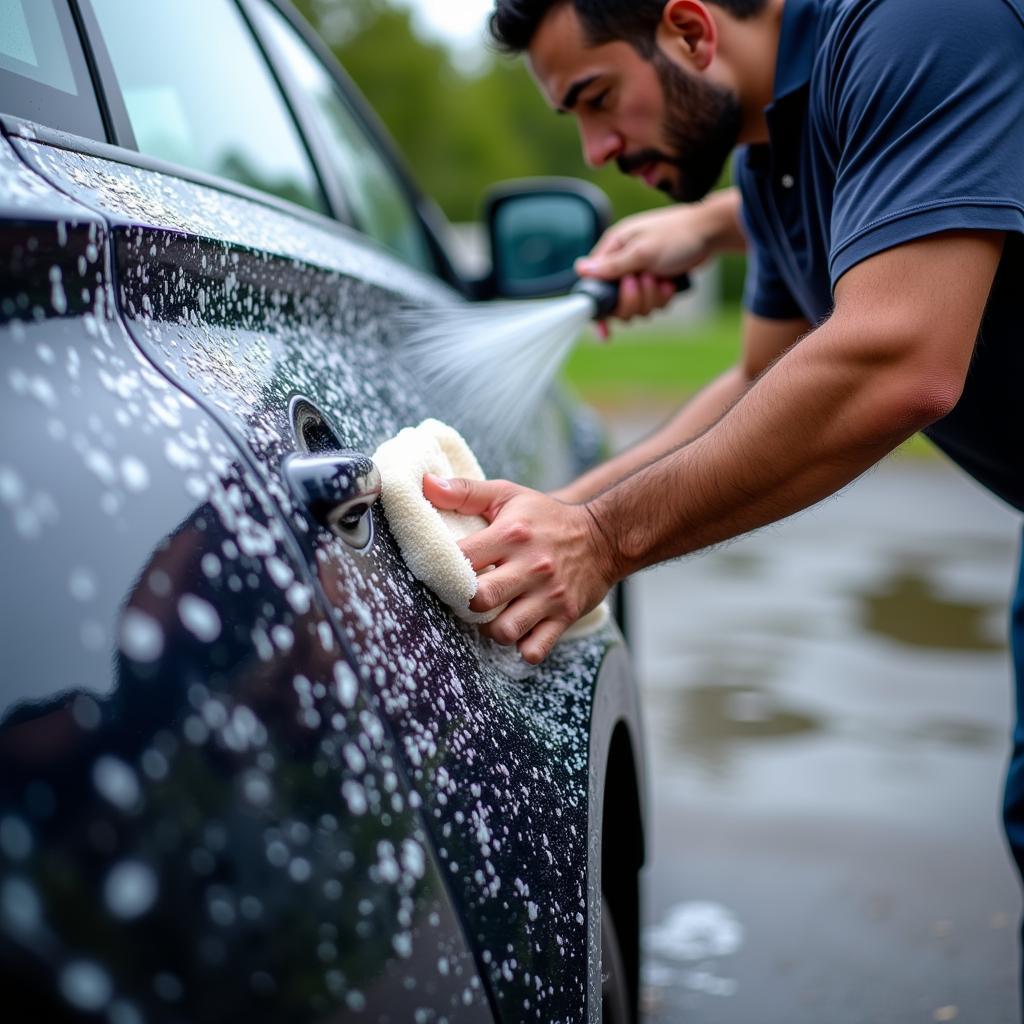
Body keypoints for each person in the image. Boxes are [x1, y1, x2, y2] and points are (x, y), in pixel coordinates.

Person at [422, 0, 1024, 988]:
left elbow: (896, 359)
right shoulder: (773, 154)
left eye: (598, 98)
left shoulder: (918, 22)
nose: (597, 148)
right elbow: (758, 384)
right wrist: (556, 513)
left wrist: (603, 540)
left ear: (691, 31)